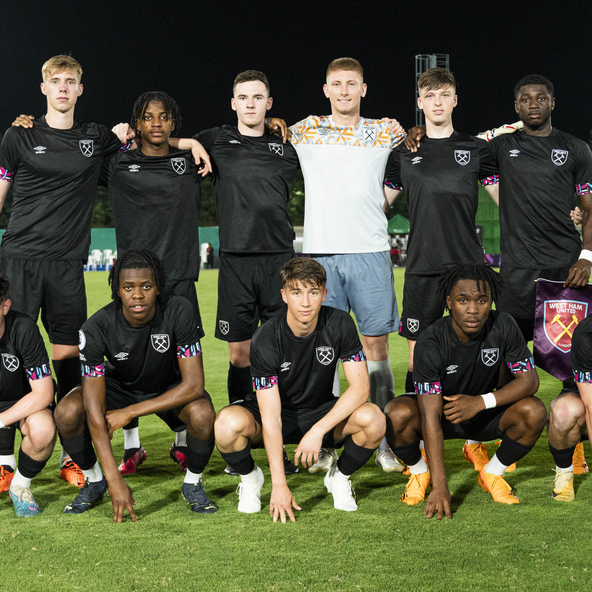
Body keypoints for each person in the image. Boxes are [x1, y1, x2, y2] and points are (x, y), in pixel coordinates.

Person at [0, 55, 136, 487]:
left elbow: (147, 149)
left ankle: (70, 454)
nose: (62, 88)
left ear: (80, 89)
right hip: (18, 259)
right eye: (55, 81)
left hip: (66, 267)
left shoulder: (95, 138)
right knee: (13, 357)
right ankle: (5, 459)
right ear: (43, 88)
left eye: (70, 81)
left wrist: (188, 145)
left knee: (67, 360)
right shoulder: (19, 135)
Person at [271, 57, 406, 473]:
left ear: (363, 89)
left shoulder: (385, 131)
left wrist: (380, 205)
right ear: (326, 90)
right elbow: (262, 132)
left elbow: (416, 163)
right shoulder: (306, 129)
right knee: (324, 350)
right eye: (337, 84)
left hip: (369, 252)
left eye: (352, 84)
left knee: (375, 346)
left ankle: (383, 439)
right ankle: (326, 437)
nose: (344, 91)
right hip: (321, 255)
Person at [214, 258, 385, 521]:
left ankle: (339, 478)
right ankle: (251, 479)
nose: (305, 302)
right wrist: (279, 485)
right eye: (297, 292)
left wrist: (318, 430)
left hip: (319, 412)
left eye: (313, 292)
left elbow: (361, 388)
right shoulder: (266, 337)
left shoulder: (340, 323)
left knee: (373, 419)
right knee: (226, 425)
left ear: (324, 294)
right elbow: (270, 416)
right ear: (284, 295)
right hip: (275, 414)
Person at [53, 250, 217, 520]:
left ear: (158, 288)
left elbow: (194, 385)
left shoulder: (179, 310)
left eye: (146, 286)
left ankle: (193, 484)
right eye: (128, 287)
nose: (137, 295)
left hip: (169, 386)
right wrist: (114, 480)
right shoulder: (95, 328)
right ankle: (95, 481)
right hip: (121, 388)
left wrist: (130, 412)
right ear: (117, 290)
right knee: (67, 412)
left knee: (202, 413)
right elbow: (95, 413)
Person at [385, 263, 546, 519]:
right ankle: (419, 472)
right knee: (396, 414)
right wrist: (441, 486)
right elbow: (429, 417)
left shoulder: (504, 325)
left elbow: (529, 382)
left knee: (534, 411)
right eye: (463, 300)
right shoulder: (431, 341)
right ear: (449, 302)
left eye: (482, 300)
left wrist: (481, 402)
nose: (472, 310)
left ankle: (492, 473)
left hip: (482, 413)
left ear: (491, 300)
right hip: (440, 416)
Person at [101, 91, 207, 475]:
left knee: (181, 365)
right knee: (124, 361)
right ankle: (132, 445)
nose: (157, 123)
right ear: (138, 123)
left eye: (164, 117)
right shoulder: (117, 162)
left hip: (179, 278)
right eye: (148, 117)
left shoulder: (190, 160)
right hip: (133, 284)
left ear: (173, 123)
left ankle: (181, 439)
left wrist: (191, 142)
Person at [0, 274, 55, 516]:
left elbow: (43, 393)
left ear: (5, 306)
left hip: (24, 402)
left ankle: (20, 485)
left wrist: (1, 420)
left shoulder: (23, 329)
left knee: (42, 430)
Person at [547, 313, 592, 501]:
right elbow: (591, 406)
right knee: (565, 411)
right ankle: (565, 472)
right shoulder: (586, 334)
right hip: (585, 399)